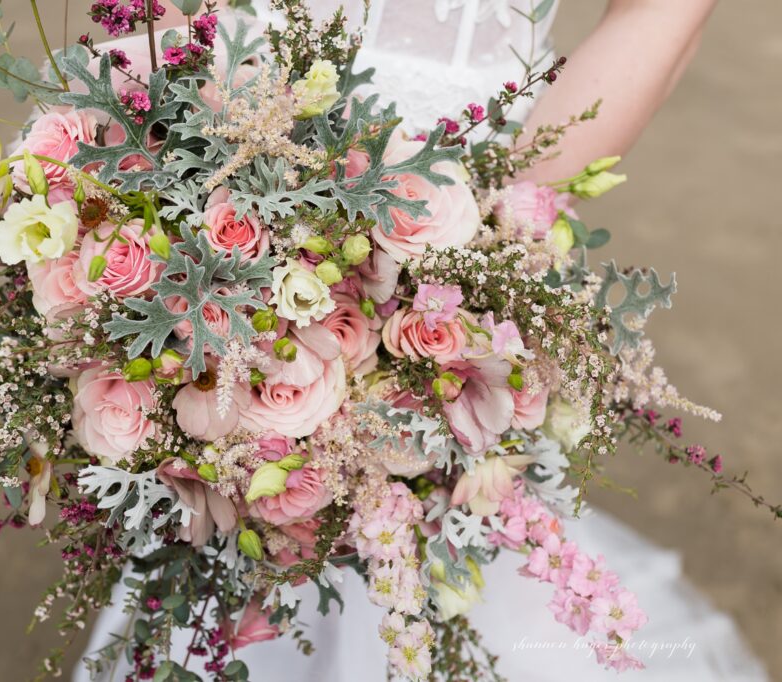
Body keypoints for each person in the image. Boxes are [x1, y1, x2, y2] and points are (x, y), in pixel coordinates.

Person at [75, 1, 768, 679]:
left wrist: (493, 252)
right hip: (227, 139)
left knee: (440, 528)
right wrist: (164, 159)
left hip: (469, 187)